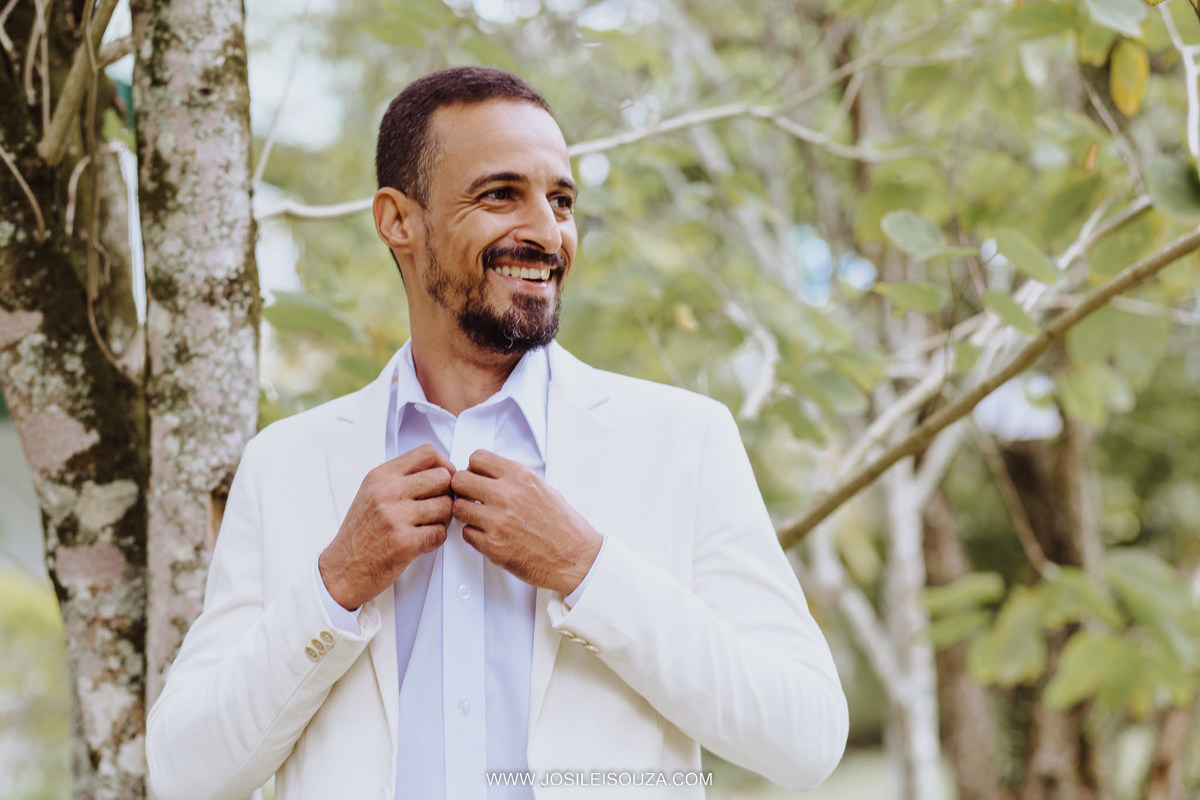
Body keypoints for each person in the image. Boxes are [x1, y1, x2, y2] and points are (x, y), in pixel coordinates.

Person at [145, 66, 848, 800]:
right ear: (397, 220)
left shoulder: (685, 441)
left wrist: (587, 570)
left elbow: (807, 738)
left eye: (562, 200)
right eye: (500, 194)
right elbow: (183, 774)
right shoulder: (285, 465)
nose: (546, 232)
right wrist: (336, 585)